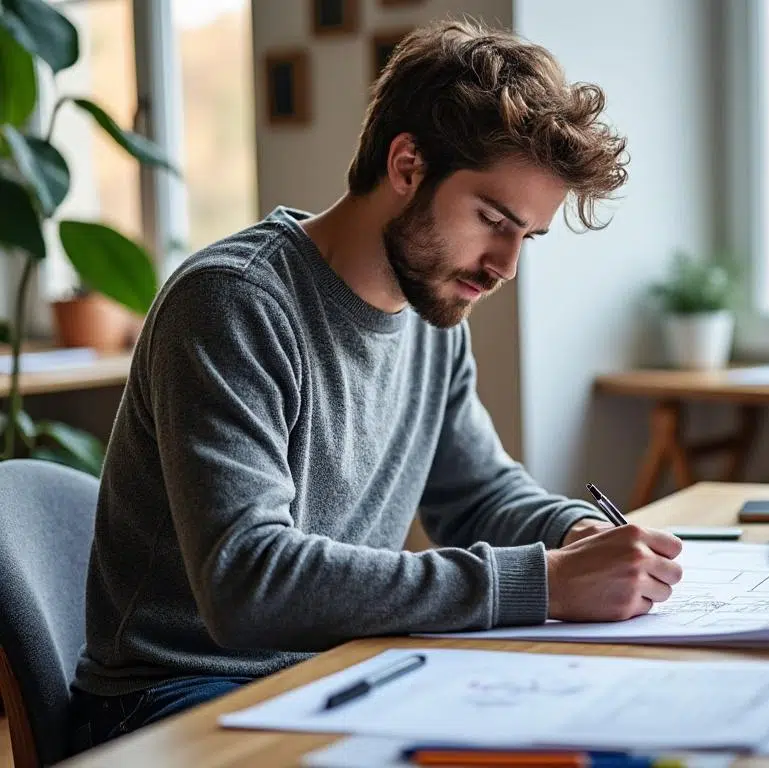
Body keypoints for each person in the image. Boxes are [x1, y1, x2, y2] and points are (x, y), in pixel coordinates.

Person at [66, 17, 684, 752]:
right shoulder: (232, 302)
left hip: (340, 671)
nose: (504, 266)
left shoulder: (434, 311)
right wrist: (544, 582)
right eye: (493, 219)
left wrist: (573, 536)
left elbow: (479, 495)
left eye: (527, 236)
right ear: (406, 166)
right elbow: (248, 582)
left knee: (611, 746)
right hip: (175, 698)